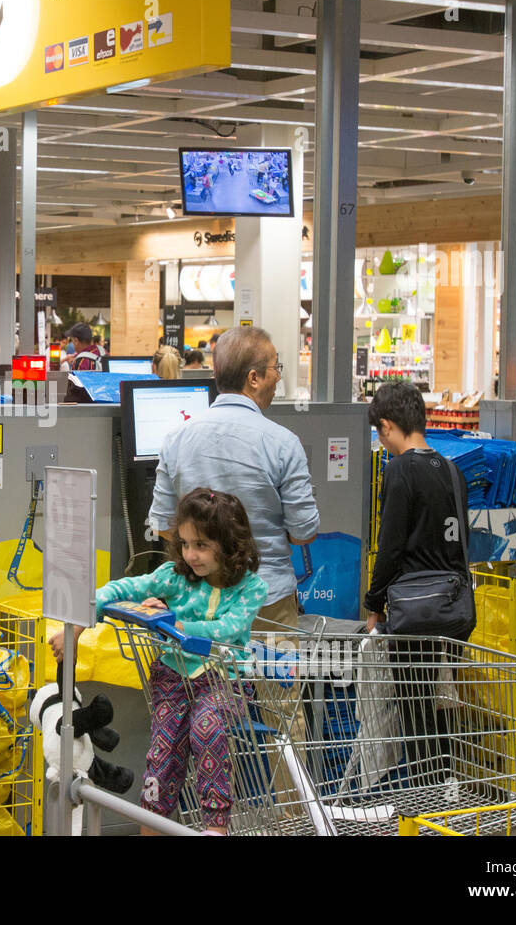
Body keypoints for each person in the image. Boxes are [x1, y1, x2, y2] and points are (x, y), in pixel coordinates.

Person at [51, 489, 266, 834]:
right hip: (173, 680)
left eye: (201, 545)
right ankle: (151, 826)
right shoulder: (174, 576)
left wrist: (173, 621)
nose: (190, 554)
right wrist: (77, 625)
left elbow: (229, 629)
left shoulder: (251, 588)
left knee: (207, 728)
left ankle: (215, 826)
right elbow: (119, 590)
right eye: (184, 543)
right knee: (161, 760)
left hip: (224, 682)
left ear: (229, 544)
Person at [149, 325, 317, 631]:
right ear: (253, 378)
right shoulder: (283, 443)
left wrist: (206, 560)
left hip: (197, 605)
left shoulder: (175, 439)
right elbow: (303, 533)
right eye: (275, 368)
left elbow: (162, 526)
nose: (278, 377)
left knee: (204, 680)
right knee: (269, 679)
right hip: (267, 603)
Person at [365, 380, 470, 780]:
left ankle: (423, 793)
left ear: (388, 426)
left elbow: (390, 546)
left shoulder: (399, 471)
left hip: (413, 610)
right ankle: (446, 783)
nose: (381, 441)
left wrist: (374, 601)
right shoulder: (453, 470)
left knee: (414, 707)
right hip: (452, 610)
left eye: (380, 433)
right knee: (442, 701)